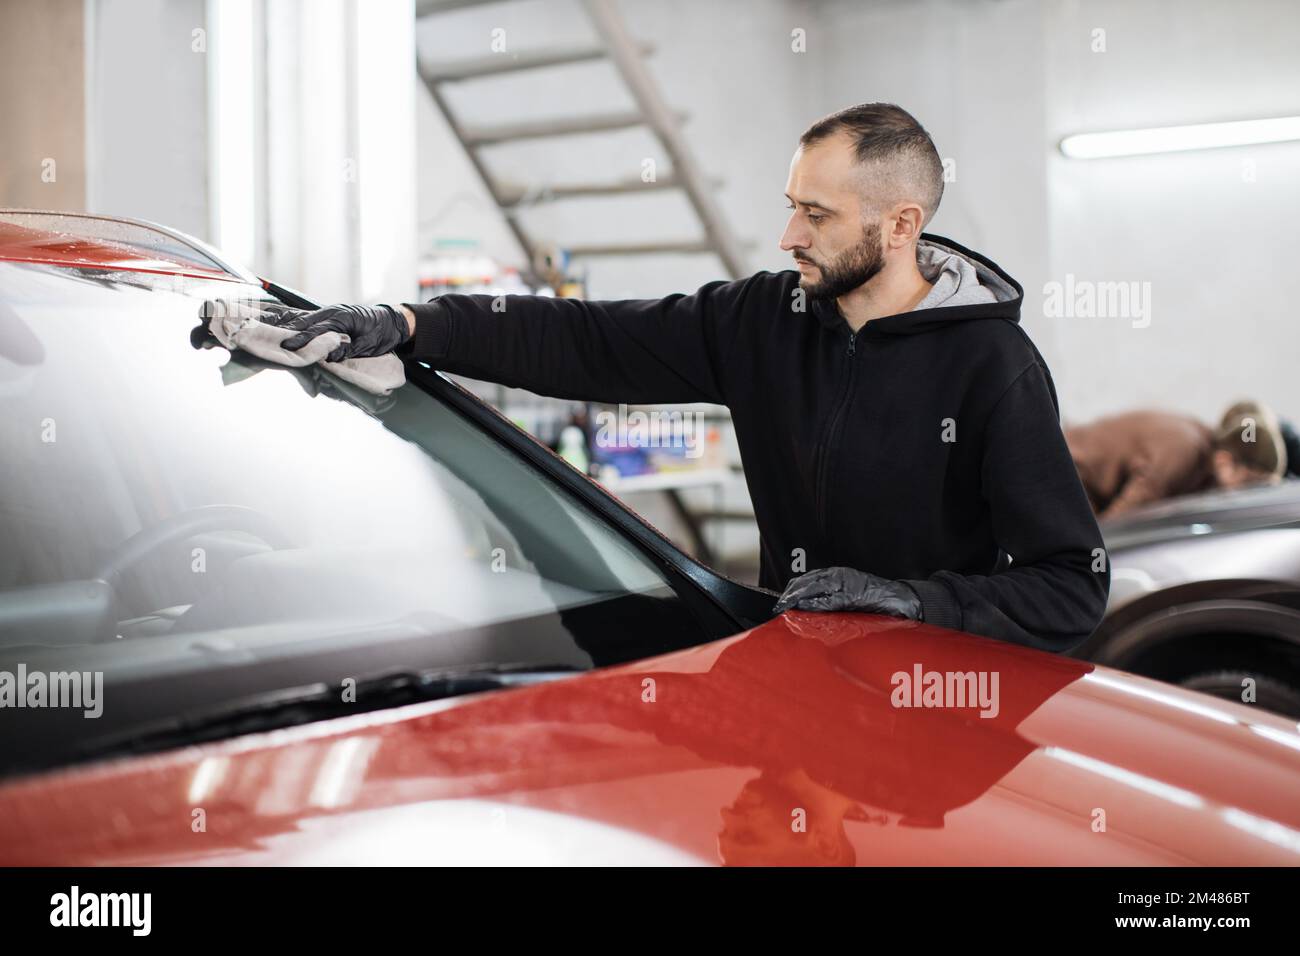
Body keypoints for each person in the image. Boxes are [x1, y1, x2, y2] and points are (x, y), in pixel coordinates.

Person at [241, 103, 1109, 652]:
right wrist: (412, 323)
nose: (788, 237)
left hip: (935, 717)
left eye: (816, 214)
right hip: (798, 673)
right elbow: (587, 340)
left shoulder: (993, 367)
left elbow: (1071, 584)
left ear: (900, 225)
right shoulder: (764, 320)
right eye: (789, 207)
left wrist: (913, 602)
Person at [1065, 400, 1289, 520]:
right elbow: (1123, 521)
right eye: (1251, 484)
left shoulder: (1200, 444)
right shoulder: (1185, 453)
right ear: (1224, 462)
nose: (1248, 496)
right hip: (1067, 472)